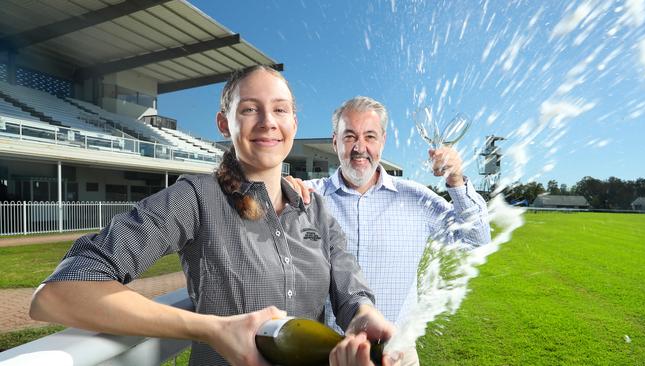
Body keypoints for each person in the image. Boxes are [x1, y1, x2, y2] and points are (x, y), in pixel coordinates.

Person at [30, 68, 399, 366]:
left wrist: (364, 316)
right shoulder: (196, 197)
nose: (268, 121)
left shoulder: (316, 209)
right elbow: (58, 294)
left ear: (294, 124)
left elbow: (352, 295)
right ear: (224, 124)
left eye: (280, 109)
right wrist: (211, 329)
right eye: (250, 109)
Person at [288, 96, 491, 365]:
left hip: (397, 354)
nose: (360, 147)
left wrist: (455, 179)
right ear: (335, 142)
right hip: (325, 352)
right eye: (349, 136)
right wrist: (278, 186)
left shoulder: (416, 198)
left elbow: (476, 240)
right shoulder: (307, 196)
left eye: (370, 136)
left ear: (382, 141)